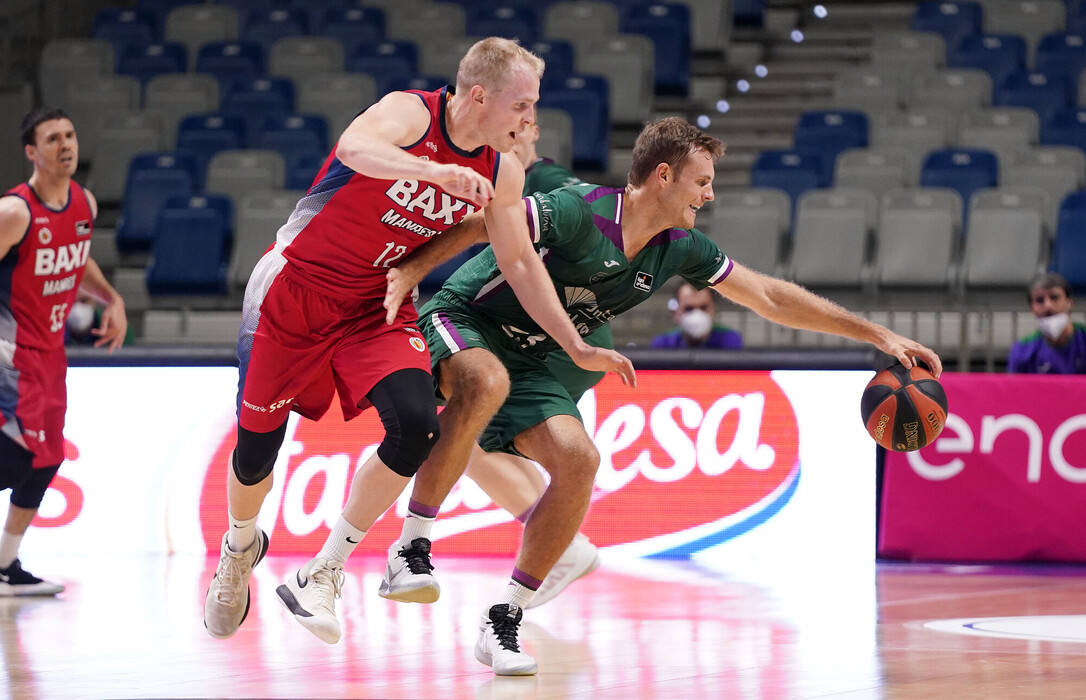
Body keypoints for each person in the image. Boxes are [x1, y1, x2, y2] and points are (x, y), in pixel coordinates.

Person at [380, 117, 942, 675]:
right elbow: (484, 222)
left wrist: (876, 334)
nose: (710, 193)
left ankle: (504, 616)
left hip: (533, 355)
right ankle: (411, 544)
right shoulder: (581, 208)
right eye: (702, 181)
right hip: (466, 318)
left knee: (580, 460)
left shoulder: (679, 247)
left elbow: (769, 297)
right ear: (665, 176)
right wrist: (411, 271)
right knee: (478, 388)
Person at [202, 37, 635, 643]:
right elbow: (354, 147)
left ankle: (322, 573)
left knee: (417, 425)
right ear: (479, 96)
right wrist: (434, 171)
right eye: (522, 105)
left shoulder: (501, 171)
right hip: (294, 291)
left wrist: (577, 346)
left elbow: (520, 264)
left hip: (375, 304)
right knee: (256, 455)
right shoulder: (412, 113)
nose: (530, 119)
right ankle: (239, 547)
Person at [0, 107, 127, 595]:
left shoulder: (84, 203)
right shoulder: (15, 212)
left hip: (49, 357)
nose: (65, 145)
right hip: (11, 356)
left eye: (70, 135)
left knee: (46, 459)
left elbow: (79, 257)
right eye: (52, 139)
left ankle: (6, 565)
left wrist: (111, 297)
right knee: (15, 458)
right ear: (32, 152)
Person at [1008, 272, 1086, 374]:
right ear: (1032, 308)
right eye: (1040, 300)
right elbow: (1014, 389)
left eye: (1054, 297)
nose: (1048, 305)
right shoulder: (1022, 350)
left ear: (1069, 303)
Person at [650, 281, 742, 349]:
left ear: (713, 309)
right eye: (689, 309)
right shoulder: (663, 344)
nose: (697, 314)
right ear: (676, 312)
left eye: (703, 308)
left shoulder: (729, 340)